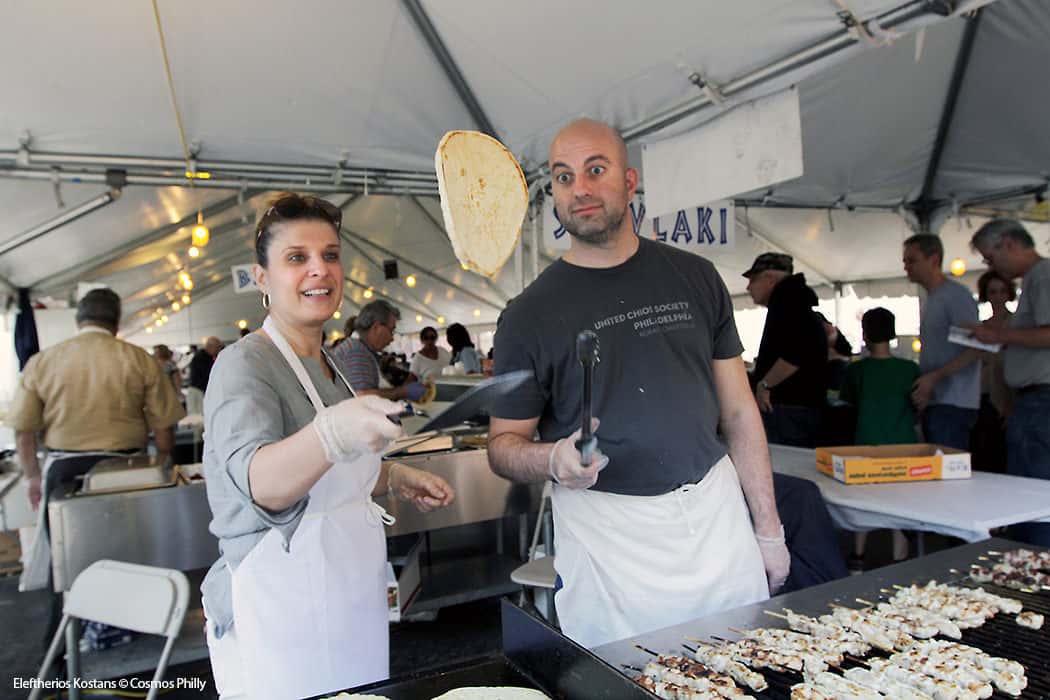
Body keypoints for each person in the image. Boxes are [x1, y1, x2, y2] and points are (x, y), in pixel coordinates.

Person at [488, 119, 788, 649]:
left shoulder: (696, 277)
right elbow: (503, 447)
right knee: (627, 681)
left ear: (629, 182)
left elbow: (740, 413)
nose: (578, 188)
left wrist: (768, 531)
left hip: (715, 517)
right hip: (611, 538)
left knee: (740, 670)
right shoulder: (528, 315)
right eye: (562, 177)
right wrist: (552, 459)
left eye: (594, 170)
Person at [200, 193, 455, 700]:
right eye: (297, 258)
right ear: (262, 278)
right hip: (282, 610)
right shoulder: (243, 364)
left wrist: (395, 478)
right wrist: (330, 433)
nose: (319, 269)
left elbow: (335, 471)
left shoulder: (330, 364)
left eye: (330, 255)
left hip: (349, 598)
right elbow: (262, 485)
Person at [7, 287, 183, 609]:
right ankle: (131, 621)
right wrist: (164, 468)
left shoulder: (43, 361)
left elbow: (23, 432)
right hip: (126, 471)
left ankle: (65, 637)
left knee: (65, 560)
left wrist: (33, 478)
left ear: (79, 320)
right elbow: (163, 426)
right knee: (128, 552)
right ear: (116, 322)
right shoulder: (138, 359)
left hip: (64, 473)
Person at [967, 219, 1050, 545]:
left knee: (1033, 491)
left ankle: (1037, 563)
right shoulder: (1036, 279)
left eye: (990, 257)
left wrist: (998, 334)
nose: (992, 266)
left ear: (1009, 245)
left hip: (1041, 400)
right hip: (1033, 399)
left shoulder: (1042, 276)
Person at [839, 307, 920, 571]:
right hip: (904, 446)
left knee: (864, 504)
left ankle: (858, 557)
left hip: (866, 444)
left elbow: (848, 401)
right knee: (901, 507)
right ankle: (899, 561)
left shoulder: (857, 371)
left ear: (865, 334)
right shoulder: (910, 369)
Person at [904, 233, 980, 450]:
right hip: (939, 401)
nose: (906, 267)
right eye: (905, 261)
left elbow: (975, 348)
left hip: (954, 401)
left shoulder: (955, 296)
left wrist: (934, 377)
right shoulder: (934, 298)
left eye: (912, 260)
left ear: (934, 260)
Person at [745, 252, 828, 448]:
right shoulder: (795, 301)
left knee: (787, 467)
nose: (748, 287)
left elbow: (797, 351)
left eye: (753, 279)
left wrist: (765, 385)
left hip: (789, 408)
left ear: (770, 278)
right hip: (798, 408)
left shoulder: (788, 302)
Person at [329, 300, 426, 401]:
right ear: (376, 328)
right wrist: (403, 392)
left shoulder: (359, 348)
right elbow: (361, 396)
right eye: (391, 330)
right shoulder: (356, 352)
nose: (392, 338)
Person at [970, 270, 1016, 473]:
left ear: (1009, 293)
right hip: (982, 395)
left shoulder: (1017, 325)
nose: (997, 297)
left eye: (1002, 291)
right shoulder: (981, 328)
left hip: (1009, 393)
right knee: (984, 450)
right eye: (993, 292)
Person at [187, 336, 223, 415]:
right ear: (210, 346)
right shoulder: (201, 358)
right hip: (198, 391)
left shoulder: (207, 357)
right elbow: (209, 375)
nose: (219, 350)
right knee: (199, 416)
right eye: (217, 348)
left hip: (200, 390)